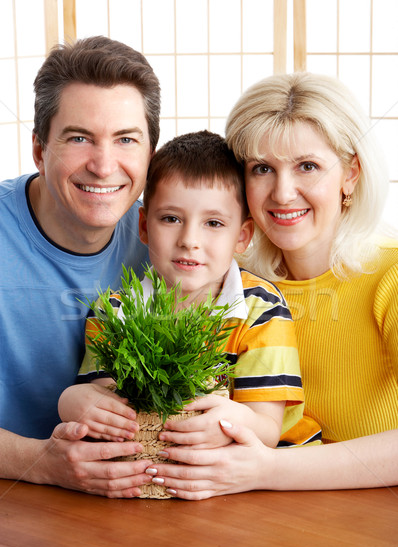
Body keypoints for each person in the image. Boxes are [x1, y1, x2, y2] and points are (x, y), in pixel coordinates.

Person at [144, 72, 398, 498]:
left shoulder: (389, 276)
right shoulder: (225, 277)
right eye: (262, 168)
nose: (282, 193)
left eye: (308, 167)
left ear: (350, 175)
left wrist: (267, 470)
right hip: (251, 513)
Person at [59, 130, 321, 452]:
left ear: (242, 236)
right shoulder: (113, 311)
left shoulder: (260, 309)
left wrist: (229, 423)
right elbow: (105, 400)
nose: (189, 240)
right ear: (143, 226)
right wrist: (74, 401)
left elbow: (267, 428)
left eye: (213, 223)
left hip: (278, 467)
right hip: (169, 468)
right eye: (171, 218)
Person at [0, 36, 161, 497]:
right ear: (39, 150)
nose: (103, 165)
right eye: (78, 138)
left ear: (151, 154)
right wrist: (40, 463)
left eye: (126, 139)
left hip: (125, 496)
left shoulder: (166, 241)